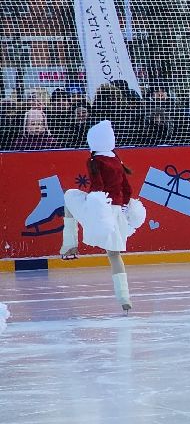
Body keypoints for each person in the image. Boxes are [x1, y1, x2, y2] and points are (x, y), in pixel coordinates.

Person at [57, 120, 146, 312]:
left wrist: (92, 204)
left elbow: (97, 187)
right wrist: (122, 207)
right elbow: (127, 189)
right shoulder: (115, 159)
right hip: (117, 211)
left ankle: (69, 245)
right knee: (114, 256)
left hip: (101, 209)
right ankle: (124, 299)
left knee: (69, 197)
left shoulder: (94, 160)